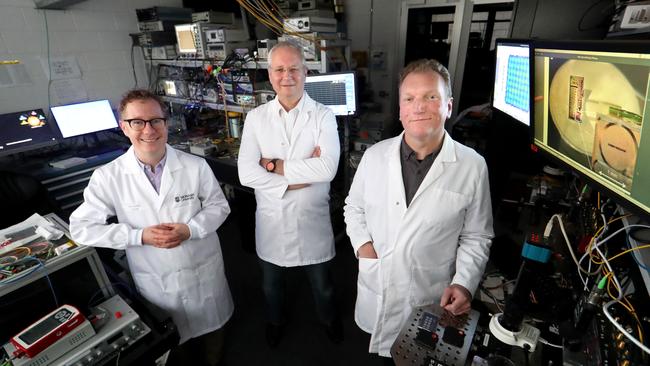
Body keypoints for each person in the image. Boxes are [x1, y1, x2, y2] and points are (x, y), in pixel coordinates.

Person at [69, 89, 233, 366]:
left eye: (156, 121)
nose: (148, 129)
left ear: (166, 124)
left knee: (213, 326)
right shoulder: (109, 176)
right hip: (156, 276)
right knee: (171, 337)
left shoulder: (195, 165)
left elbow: (219, 206)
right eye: (137, 122)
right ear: (124, 127)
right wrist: (138, 235)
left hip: (202, 266)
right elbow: (81, 228)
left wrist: (190, 229)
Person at [343, 59, 493, 360]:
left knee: (420, 356)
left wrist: (464, 282)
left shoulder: (472, 166)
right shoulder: (374, 156)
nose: (419, 107)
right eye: (409, 99)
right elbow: (353, 207)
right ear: (400, 110)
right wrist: (364, 247)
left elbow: (477, 236)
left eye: (431, 97)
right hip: (378, 286)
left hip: (428, 294)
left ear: (448, 106)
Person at [237, 41, 342, 347]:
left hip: (312, 221)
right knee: (271, 286)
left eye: (294, 68)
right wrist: (294, 178)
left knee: (323, 286)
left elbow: (328, 169)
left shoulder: (324, 115)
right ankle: (274, 321)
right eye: (280, 69)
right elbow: (246, 173)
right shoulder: (256, 118)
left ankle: (329, 320)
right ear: (270, 74)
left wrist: (272, 166)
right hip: (272, 222)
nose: (287, 76)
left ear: (305, 72)